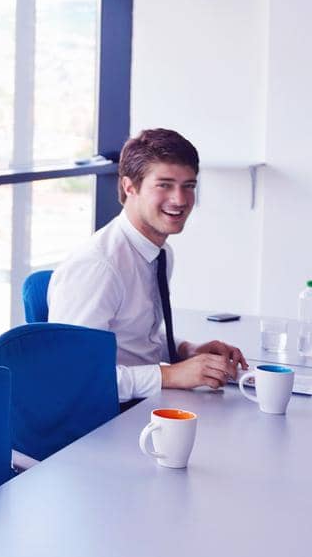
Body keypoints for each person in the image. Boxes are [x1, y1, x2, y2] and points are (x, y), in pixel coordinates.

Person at [48, 127, 247, 401]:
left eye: (188, 186)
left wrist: (186, 351)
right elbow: (73, 378)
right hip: (104, 421)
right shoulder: (99, 266)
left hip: (143, 402)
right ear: (130, 187)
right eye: (164, 184)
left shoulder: (159, 252)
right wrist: (171, 375)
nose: (180, 200)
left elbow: (135, 340)